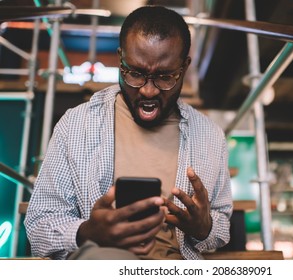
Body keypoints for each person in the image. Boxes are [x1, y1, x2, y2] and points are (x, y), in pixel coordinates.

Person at [24, 5, 233, 260]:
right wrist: (86, 232)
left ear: (185, 67)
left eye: (165, 77)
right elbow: (38, 225)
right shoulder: (76, 125)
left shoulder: (210, 136)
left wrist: (204, 227)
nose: (148, 91)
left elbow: (222, 225)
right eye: (135, 73)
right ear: (120, 59)